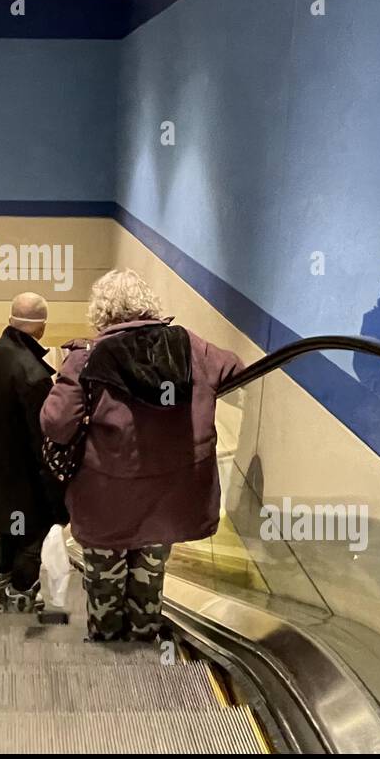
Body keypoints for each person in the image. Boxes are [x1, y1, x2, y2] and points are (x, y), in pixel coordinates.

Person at [40, 269, 245, 641]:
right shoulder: (191, 347)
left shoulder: (87, 359)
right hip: (169, 501)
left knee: (104, 579)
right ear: (147, 306)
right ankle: (144, 638)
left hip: (106, 501)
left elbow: (56, 424)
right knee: (150, 576)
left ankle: (106, 649)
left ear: (101, 313)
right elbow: (236, 371)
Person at [0, 292, 65, 611]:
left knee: (11, 527)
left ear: (11, 320)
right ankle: (20, 596)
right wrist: (56, 489)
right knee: (29, 538)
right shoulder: (34, 374)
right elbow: (43, 440)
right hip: (27, 481)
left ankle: (0, 581)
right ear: (41, 328)